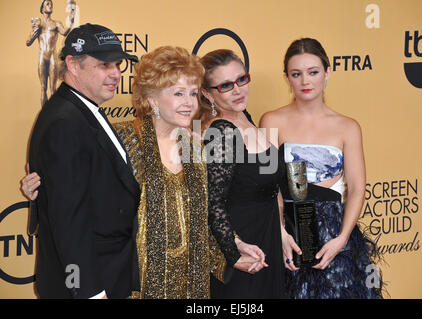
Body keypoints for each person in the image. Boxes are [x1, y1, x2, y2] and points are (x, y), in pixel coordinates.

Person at [22, 45, 265, 299]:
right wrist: (42, 188)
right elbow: (77, 198)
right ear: (151, 98)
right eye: (178, 93)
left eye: (193, 93)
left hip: (190, 285)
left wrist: (233, 246)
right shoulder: (121, 140)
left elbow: (203, 215)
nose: (188, 103)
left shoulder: (194, 146)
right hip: (132, 283)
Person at [259, 37, 384, 298]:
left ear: (327, 73)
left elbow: (358, 188)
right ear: (287, 78)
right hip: (288, 234)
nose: (305, 81)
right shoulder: (271, 121)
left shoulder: (348, 127)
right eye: (297, 74)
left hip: (334, 232)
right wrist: (280, 233)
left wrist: (342, 239)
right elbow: (268, 186)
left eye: (313, 72)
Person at [26, 23, 141, 299]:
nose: (115, 74)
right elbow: (69, 221)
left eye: (118, 64)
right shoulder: (65, 122)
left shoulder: (81, 109)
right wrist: (88, 290)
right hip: (85, 285)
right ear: (73, 65)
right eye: (104, 65)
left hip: (107, 273)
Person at [198, 49, 294, 298]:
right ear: (207, 93)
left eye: (242, 79)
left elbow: (271, 189)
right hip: (245, 254)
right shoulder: (221, 133)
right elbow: (211, 202)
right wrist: (233, 253)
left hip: (266, 239)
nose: (238, 90)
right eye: (226, 85)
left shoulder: (245, 117)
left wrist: (281, 232)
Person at [26, 0, 76, 106]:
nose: (50, 6)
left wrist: (72, 15)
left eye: (51, 4)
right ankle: (44, 116)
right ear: (42, 8)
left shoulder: (56, 24)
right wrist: (34, 31)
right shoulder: (39, 24)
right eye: (47, 4)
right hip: (42, 58)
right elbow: (28, 42)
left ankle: (54, 116)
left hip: (52, 57)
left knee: (53, 89)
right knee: (43, 88)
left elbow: (65, 32)